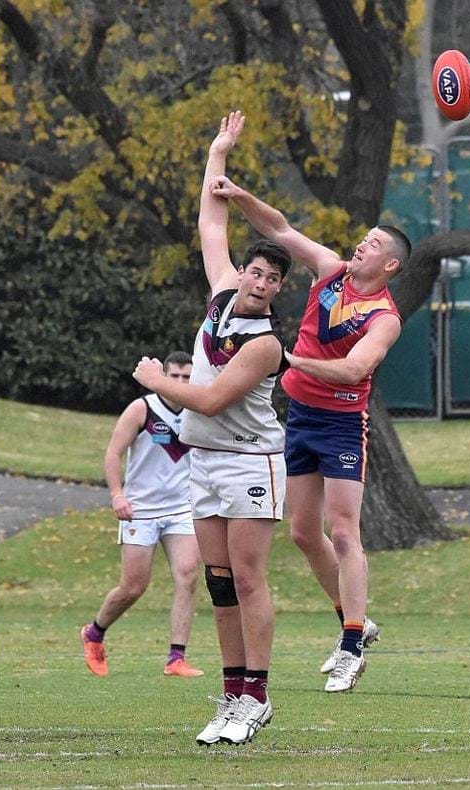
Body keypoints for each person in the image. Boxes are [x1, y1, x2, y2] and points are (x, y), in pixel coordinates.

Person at [211, 152, 409, 693]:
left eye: (372, 244)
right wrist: (238, 194)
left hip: (342, 425)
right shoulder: (330, 271)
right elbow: (279, 228)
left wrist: (294, 360)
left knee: (344, 530)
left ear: (389, 264)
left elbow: (357, 367)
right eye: (363, 239)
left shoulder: (383, 317)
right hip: (298, 418)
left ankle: (349, 645)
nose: (361, 245)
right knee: (302, 532)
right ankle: (358, 619)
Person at [132, 111, 292, 746]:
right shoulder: (223, 293)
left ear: (279, 290)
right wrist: (217, 153)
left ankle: (259, 694)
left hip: (250, 464)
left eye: (271, 279)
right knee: (218, 582)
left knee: (248, 578)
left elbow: (212, 399)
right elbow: (211, 219)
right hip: (202, 463)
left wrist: (155, 380)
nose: (258, 282)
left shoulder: (266, 344)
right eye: (255, 271)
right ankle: (231, 695)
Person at [81, 351, 205, 680]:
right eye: (175, 376)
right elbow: (112, 453)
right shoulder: (143, 408)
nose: (180, 382)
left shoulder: (199, 407)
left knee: (188, 574)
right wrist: (117, 495)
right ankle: (94, 633)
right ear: (162, 375)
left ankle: (176, 658)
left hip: (181, 508)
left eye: (186, 377)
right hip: (140, 510)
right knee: (133, 587)